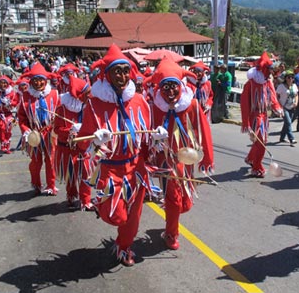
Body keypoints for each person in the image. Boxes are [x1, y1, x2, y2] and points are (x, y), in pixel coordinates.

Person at [75, 44, 164, 266]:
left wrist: (156, 139)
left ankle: (124, 247)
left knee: (133, 218)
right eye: (117, 71)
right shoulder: (94, 104)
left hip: (136, 168)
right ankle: (101, 205)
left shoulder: (140, 101)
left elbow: (145, 138)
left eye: (125, 70)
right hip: (110, 168)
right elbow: (82, 143)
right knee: (116, 216)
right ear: (107, 75)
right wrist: (95, 139)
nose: (122, 75)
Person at [150, 58, 214, 251]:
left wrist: (207, 160)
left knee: (184, 203)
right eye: (165, 88)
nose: (170, 92)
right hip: (166, 162)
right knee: (174, 199)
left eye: (174, 87)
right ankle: (171, 234)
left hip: (187, 160)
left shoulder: (192, 105)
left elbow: (203, 131)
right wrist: (154, 139)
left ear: (181, 86)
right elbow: (145, 133)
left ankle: (172, 217)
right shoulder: (154, 107)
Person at [18, 63, 60, 196]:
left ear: (46, 80)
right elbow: (22, 118)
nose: (38, 83)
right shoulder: (25, 96)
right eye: (35, 80)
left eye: (41, 80)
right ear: (31, 82)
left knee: (51, 160)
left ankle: (51, 185)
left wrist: (57, 127)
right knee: (36, 161)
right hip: (33, 133)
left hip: (50, 132)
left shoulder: (54, 94)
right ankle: (36, 184)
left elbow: (60, 113)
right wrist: (26, 130)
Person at [52, 75, 93, 210]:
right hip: (67, 149)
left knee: (85, 174)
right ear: (79, 95)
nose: (90, 95)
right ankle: (71, 194)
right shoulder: (62, 109)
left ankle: (85, 200)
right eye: (87, 93)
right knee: (71, 175)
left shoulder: (88, 107)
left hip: (83, 148)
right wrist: (70, 130)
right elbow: (57, 129)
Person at [240, 51, 283, 178]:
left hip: (264, 115)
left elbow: (273, 96)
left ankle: (250, 158)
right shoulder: (250, 84)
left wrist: (277, 108)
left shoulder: (267, 82)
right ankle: (257, 166)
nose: (271, 72)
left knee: (261, 141)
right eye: (269, 69)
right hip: (254, 116)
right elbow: (244, 104)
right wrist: (246, 123)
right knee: (261, 142)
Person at [276, 70, 298, 146]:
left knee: (287, 123)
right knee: (288, 122)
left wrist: (296, 103)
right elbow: (277, 96)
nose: (290, 79)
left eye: (292, 77)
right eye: (288, 77)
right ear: (285, 78)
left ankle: (282, 137)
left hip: (291, 107)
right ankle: (291, 139)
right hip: (283, 107)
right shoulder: (281, 86)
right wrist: (279, 105)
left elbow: (296, 95)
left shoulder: (294, 86)